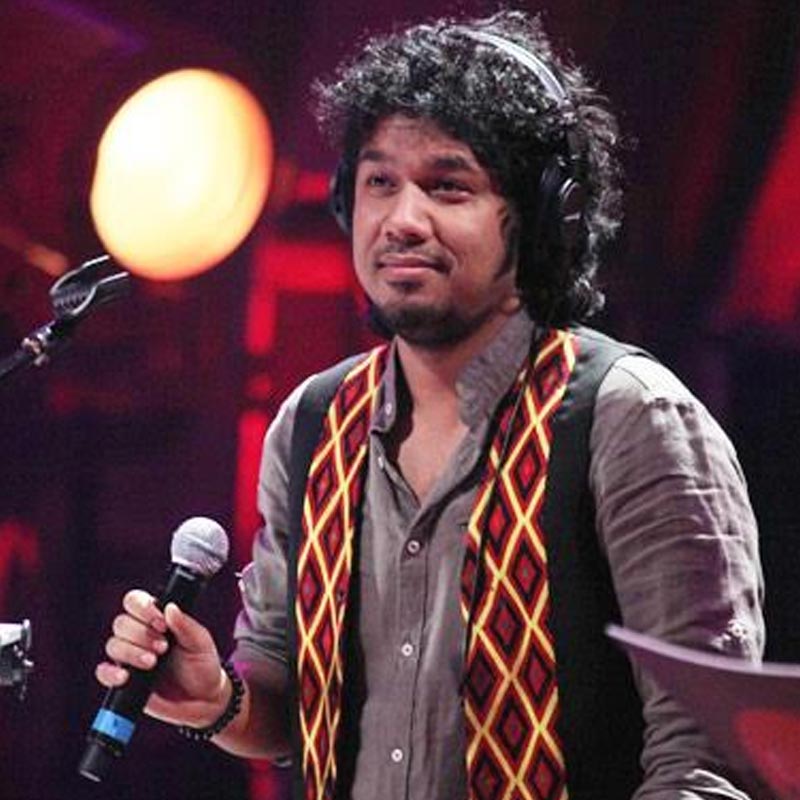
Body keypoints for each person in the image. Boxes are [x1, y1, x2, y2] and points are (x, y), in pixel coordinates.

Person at [96, 10, 765, 800]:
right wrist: (217, 699)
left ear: (541, 217)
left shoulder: (632, 421)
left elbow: (706, 761)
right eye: (380, 183)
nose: (403, 220)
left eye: (448, 186)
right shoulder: (312, 423)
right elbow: (287, 701)